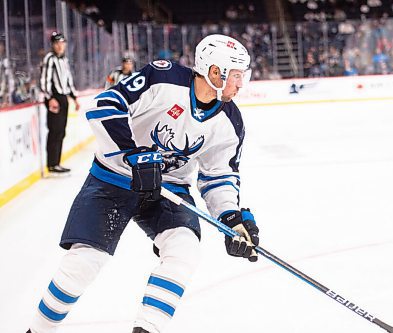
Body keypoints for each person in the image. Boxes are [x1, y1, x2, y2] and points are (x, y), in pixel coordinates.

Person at [27, 34, 259, 333]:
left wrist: (231, 217)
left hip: (169, 188)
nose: (241, 84)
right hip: (113, 177)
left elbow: (219, 176)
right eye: (237, 75)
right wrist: (132, 154)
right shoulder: (163, 77)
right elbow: (105, 105)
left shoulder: (231, 121)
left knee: (184, 248)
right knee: (85, 261)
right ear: (215, 72)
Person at [40, 32, 80, 173]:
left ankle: (56, 162)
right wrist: (49, 98)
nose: (60, 46)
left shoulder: (64, 60)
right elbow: (44, 80)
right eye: (57, 43)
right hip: (54, 97)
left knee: (61, 131)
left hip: (63, 98)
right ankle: (52, 164)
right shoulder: (49, 59)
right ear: (52, 45)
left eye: (62, 43)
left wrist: (74, 97)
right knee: (54, 130)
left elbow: (68, 80)